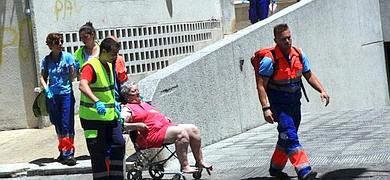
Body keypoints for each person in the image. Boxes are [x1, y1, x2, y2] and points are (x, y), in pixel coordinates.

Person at [257, 23, 330, 180]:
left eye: (289, 37)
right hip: (279, 104)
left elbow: (308, 74)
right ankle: (304, 171)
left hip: (295, 103)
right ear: (276, 39)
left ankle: (275, 168)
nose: (288, 41)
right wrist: (266, 108)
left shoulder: (299, 54)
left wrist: (322, 90)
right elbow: (261, 85)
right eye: (283, 39)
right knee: (290, 135)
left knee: (286, 136)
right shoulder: (269, 60)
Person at [120, 81, 213, 174]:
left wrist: (164, 118)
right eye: (134, 91)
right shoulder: (128, 109)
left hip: (164, 128)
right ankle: (185, 166)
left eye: (137, 90)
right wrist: (137, 125)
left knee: (193, 129)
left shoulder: (144, 104)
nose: (138, 93)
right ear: (127, 96)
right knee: (180, 133)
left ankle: (199, 161)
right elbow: (121, 124)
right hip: (149, 135)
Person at [79, 37, 125, 179]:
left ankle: (116, 177)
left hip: (110, 116)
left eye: (117, 54)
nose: (115, 57)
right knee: (98, 153)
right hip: (92, 118)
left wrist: (115, 104)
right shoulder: (91, 66)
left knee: (119, 143)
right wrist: (96, 101)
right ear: (103, 51)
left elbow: (109, 89)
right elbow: (82, 85)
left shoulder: (110, 65)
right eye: (113, 54)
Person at [39, 33, 76, 166]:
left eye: (61, 42)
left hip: (66, 94)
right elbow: (42, 77)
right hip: (53, 95)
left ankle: (69, 152)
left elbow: (73, 74)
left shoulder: (67, 57)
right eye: (56, 42)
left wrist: (68, 80)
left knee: (67, 123)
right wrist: (46, 89)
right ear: (50, 45)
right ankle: (62, 150)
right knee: (58, 124)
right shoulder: (47, 60)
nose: (60, 45)